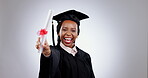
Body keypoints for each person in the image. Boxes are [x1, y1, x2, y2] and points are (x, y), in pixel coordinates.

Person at [36, 10, 95, 78]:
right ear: (58, 32)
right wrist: (47, 54)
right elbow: (48, 67)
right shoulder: (54, 53)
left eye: (73, 30)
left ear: (77, 34)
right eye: (64, 29)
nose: (68, 33)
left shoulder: (85, 56)